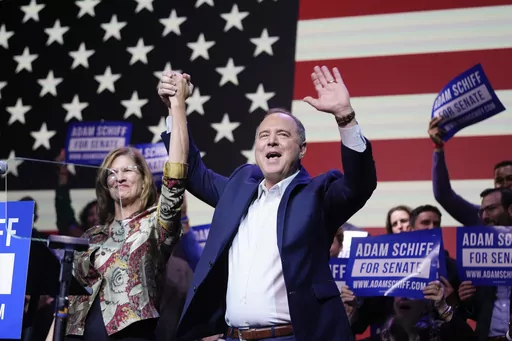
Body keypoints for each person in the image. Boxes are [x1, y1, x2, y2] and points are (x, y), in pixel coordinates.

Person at [158, 66, 377, 341]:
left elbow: (359, 186)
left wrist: (345, 118)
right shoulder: (239, 188)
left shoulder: (318, 194)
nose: (271, 140)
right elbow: (190, 171)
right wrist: (176, 108)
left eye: (283, 135)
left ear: (302, 149)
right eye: (264, 135)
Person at [49, 73, 190, 341]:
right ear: (105, 184)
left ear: (144, 178)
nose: (119, 177)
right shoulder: (91, 236)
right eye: (112, 173)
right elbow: (65, 298)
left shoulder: (156, 224)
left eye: (127, 170)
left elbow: (176, 176)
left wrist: (177, 106)